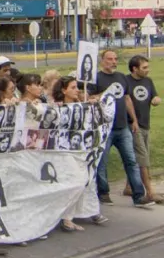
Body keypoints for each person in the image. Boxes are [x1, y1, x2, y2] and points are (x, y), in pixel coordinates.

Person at [87, 50, 149, 208]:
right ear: (102, 61)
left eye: (115, 59)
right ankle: (104, 192)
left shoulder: (121, 77)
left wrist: (134, 120)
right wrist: (103, 94)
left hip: (122, 127)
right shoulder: (96, 78)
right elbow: (89, 98)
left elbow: (127, 98)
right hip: (105, 128)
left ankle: (139, 195)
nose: (113, 62)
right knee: (102, 162)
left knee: (131, 160)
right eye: (109, 59)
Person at [52, 76, 109, 229]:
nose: (77, 90)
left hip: (81, 151)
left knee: (86, 180)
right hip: (63, 152)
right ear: (64, 90)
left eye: (77, 87)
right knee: (76, 181)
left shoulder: (81, 106)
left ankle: (84, 212)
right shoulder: (57, 106)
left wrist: (92, 105)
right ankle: (65, 217)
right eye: (73, 87)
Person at [125, 55, 162, 203]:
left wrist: (156, 100)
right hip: (133, 124)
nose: (148, 70)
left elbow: (155, 96)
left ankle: (129, 186)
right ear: (135, 68)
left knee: (137, 157)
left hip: (146, 123)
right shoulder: (126, 81)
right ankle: (150, 191)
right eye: (144, 67)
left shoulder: (148, 81)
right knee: (143, 158)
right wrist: (133, 120)